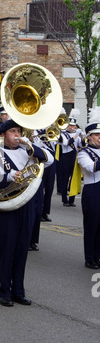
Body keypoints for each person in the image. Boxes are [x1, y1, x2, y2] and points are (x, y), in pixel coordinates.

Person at [0, 119, 54, 307]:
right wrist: (8, 176)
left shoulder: (28, 152)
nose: (17, 135)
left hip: (27, 205)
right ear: (4, 134)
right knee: (6, 251)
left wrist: (29, 144)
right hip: (7, 207)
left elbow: (50, 159)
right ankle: (4, 291)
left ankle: (18, 291)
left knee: (22, 250)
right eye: (13, 131)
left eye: (19, 131)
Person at [77, 108, 100, 269]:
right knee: (92, 225)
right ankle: (90, 257)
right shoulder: (84, 153)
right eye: (97, 135)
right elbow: (91, 168)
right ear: (89, 136)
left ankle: (98, 255)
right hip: (92, 192)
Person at [59, 114, 84, 207]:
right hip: (66, 158)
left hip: (74, 157)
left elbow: (82, 146)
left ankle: (71, 200)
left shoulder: (76, 135)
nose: (71, 127)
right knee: (65, 179)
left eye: (73, 125)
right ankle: (64, 200)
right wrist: (76, 135)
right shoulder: (62, 134)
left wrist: (82, 137)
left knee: (73, 179)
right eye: (70, 125)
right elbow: (66, 143)